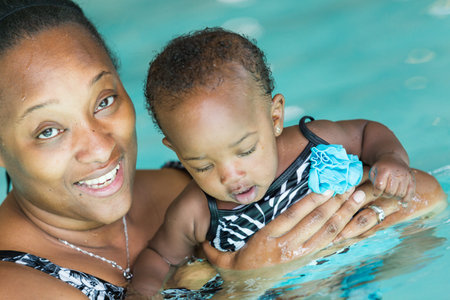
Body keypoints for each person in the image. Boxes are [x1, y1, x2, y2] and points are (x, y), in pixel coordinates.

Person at [0, 2, 444, 299]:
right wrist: (249, 283)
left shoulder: (188, 179)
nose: (99, 148)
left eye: (104, 100)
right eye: (47, 130)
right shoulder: (17, 285)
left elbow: (422, 203)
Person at [130, 27, 447, 297]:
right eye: (202, 166)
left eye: (245, 150)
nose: (230, 176)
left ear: (275, 117)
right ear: (176, 151)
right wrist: (142, 293)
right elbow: (158, 256)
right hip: (286, 289)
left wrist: (390, 159)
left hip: (365, 261)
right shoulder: (195, 212)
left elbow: (366, 132)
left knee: (419, 246)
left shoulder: (313, 141)